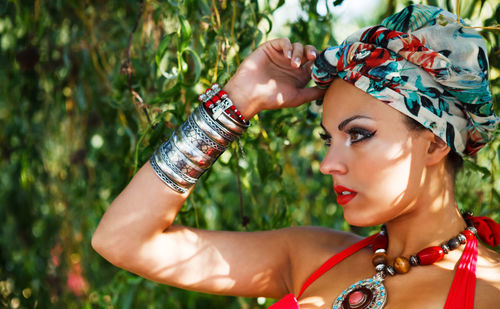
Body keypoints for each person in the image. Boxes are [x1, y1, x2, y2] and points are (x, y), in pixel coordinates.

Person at [92, 4, 500, 308]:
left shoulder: (490, 289)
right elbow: (122, 240)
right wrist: (235, 104)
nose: (327, 165)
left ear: (435, 143)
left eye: (358, 134)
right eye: (328, 140)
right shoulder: (307, 255)